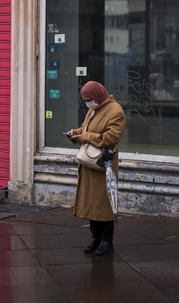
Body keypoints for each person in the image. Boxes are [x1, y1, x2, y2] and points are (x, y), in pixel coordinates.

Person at [65, 81, 125, 255]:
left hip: (103, 165)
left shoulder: (116, 111)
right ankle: (95, 238)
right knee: (91, 202)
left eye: (89, 99)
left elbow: (112, 137)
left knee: (103, 204)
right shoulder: (93, 110)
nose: (87, 103)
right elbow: (85, 129)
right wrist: (74, 133)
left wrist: (85, 136)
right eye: (85, 100)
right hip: (89, 164)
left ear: (98, 95)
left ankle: (107, 241)